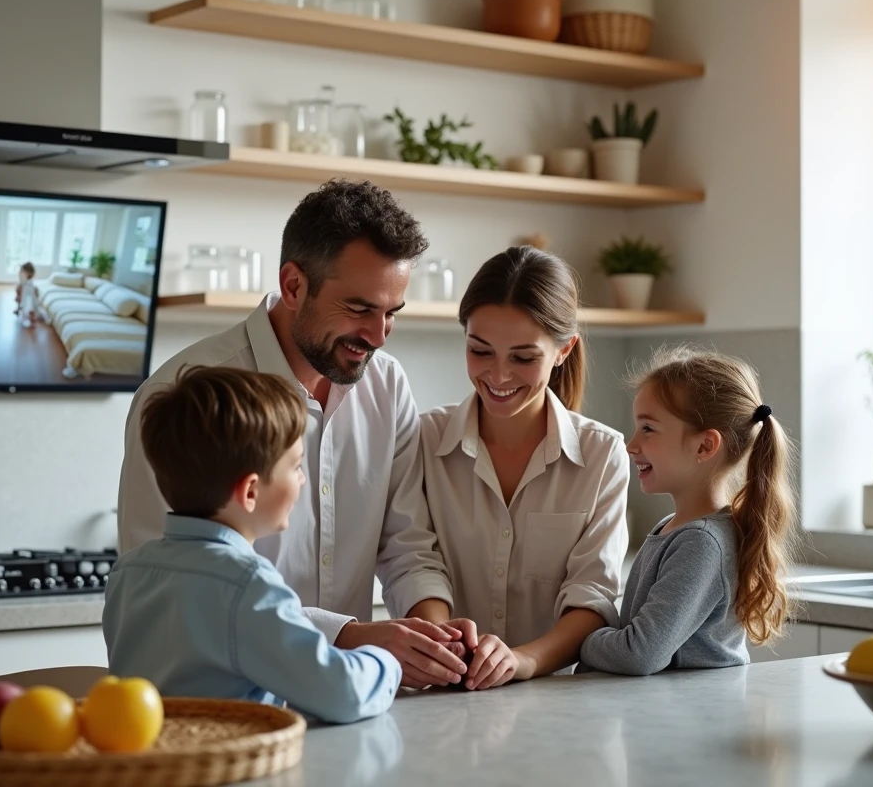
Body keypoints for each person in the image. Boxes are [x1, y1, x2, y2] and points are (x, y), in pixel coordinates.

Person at [118, 179, 469, 689]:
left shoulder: (387, 385)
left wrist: (435, 639)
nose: (377, 337)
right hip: (219, 715)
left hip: (341, 712)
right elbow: (171, 584)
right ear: (293, 285)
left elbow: (406, 545)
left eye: (391, 313)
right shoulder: (183, 393)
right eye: (359, 308)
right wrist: (349, 637)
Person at [104, 367, 401, 724]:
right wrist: (386, 659)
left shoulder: (129, 571)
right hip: (229, 770)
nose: (303, 480)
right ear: (249, 492)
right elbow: (342, 693)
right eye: (295, 467)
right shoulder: (246, 582)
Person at [420, 246, 630, 691]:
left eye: (522, 357)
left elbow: (592, 596)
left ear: (562, 350)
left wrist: (522, 661)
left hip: (558, 703)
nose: (498, 376)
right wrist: (444, 644)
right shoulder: (423, 440)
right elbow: (416, 561)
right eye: (480, 351)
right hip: (443, 696)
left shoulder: (602, 454)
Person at [579, 346, 794, 676]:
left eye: (648, 429)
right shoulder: (674, 528)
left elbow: (638, 654)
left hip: (692, 724)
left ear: (705, 446)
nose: (631, 444)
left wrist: (579, 639)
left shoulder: (701, 543)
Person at [15, 262, 38, 328]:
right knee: (22, 304)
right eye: (20, 271)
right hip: (23, 296)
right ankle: (18, 309)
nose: (20, 273)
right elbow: (19, 288)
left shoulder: (29, 282)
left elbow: (32, 291)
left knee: (30, 308)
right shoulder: (23, 280)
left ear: (29, 273)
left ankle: (32, 316)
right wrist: (18, 294)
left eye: (22, 271)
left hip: (28, 297)